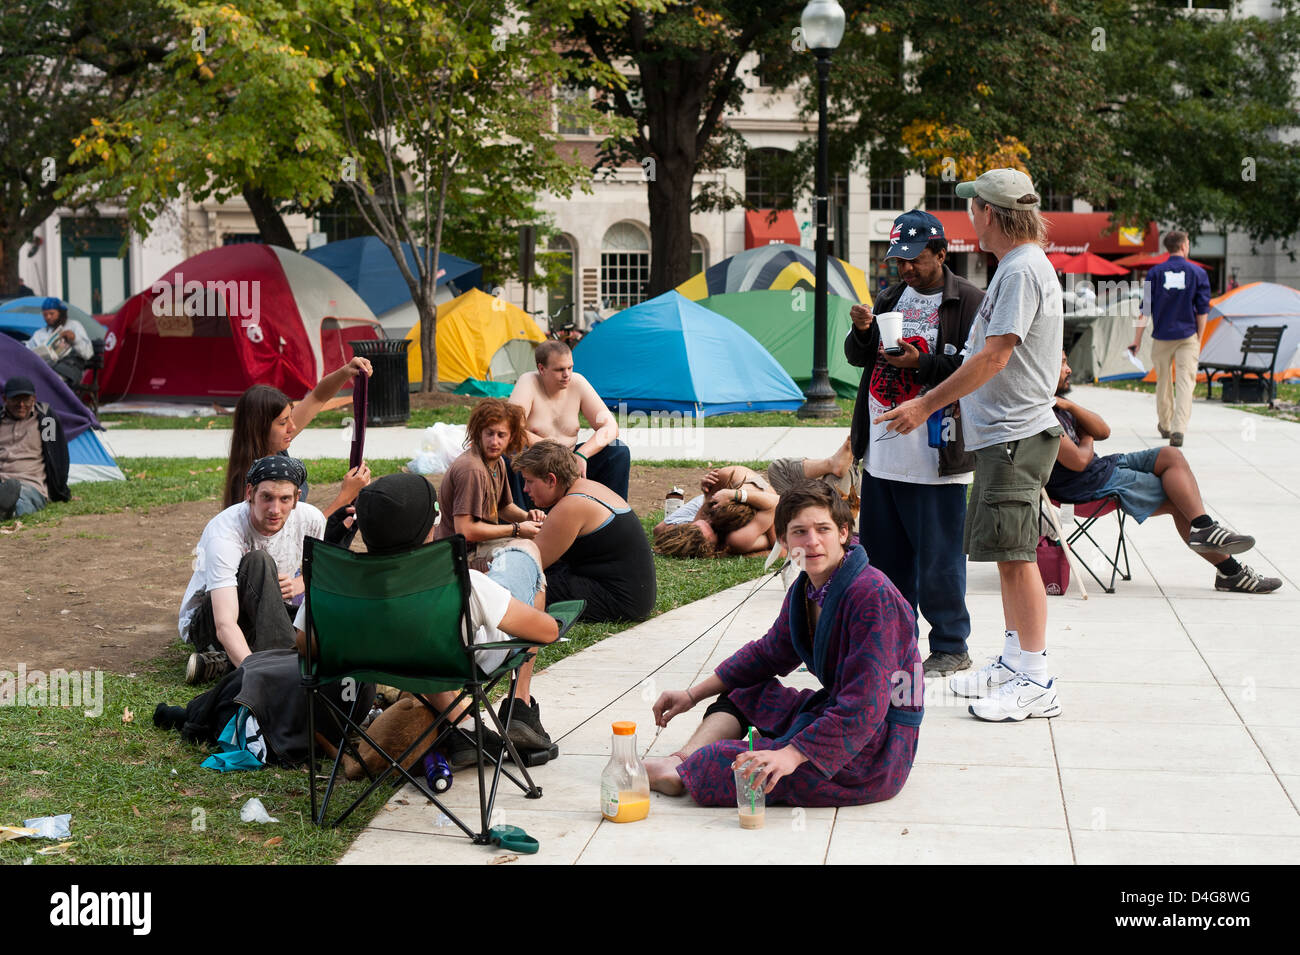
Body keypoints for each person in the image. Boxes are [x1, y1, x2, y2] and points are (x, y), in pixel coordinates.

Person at [876, 168, 1064, 722]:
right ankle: (1012, 662)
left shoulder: (1022, 269)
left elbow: (994, 356)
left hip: (1015, 435)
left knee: (1015, 556)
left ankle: (1035, 676)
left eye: (975, 208)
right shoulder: (1017, 266)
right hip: (1003, 436)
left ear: (992, 214)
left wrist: (925, 403)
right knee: (1005, 555)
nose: (971, 218)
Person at [643, 482, 922, 807]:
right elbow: (768, 653)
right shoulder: (807, 588)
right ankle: (680, 761)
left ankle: (684, 772)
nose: (813, 541)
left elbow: (865, 707)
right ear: (786, 541)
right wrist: (692, 695)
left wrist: (792, 754)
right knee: (742, 689)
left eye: (823, 529)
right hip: (837, 715)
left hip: (873, 751)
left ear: (843, 533)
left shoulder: (872, 596)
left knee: (729, 763)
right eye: (800, 531)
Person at [324, 473, 562, 761]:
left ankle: (463, 724)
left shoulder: (335, 587)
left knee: (417, 645)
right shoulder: (465, 584)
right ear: (429, 530)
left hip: (396, 661)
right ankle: (519, 705)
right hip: (469, 659)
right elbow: (547, 632)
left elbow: (305, 643)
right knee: (525, 550)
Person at [845, 210, 984, 677]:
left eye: (915, 259)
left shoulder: (968, 302)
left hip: (935, 454)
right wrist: (862, 331)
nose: (904, 268)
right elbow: (860, 360)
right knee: (885, 560)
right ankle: (893, 645)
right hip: (883, 454)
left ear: (941, 254)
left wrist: (919, 366)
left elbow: (976, 371)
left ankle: (949, 645)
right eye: (898, 259)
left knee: (940, 558)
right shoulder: (890, 295)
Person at [1050, 353, 1280, 594]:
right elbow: (1078, 461)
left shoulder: (1059, 406)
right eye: (1062, 363)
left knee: (1171, 455)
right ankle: (1229, 569)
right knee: (1178, 499)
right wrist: (1087, 437)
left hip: (1104, 469)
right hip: (1087, 487)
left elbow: (1103, 431)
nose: (1070, 369)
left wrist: (1072, 406)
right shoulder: (1044, 415)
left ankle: (1204, 529)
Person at [178, 455, 325, 685]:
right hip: (211, 622)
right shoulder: (224, 532)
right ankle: (286, 670)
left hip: (269, 613)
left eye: (285, 499)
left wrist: (301, 582)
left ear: (297, 498)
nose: (275, 509)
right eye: (267, 497)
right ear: (250, 493)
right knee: (258, 562)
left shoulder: (312, 520)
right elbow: (224, 623)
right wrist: (259, 677)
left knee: (325, 629)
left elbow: (319, 578)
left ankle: (223, 663)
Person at [513, 440, 655, 622]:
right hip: (631, 592)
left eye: (529, 481)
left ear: (551, 479)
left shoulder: (572, 505)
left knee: (521, 589)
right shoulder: (586, 487)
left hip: (618, 599)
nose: (525, 489)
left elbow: (528, 565)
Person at [222, 356, 373, 511]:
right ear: (259, 429)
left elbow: (317, 397)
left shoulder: (272, 447)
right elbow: (304, 533)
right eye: (283, 422)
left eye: (291, 418)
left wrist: (346, 371)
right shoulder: (263, 481)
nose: (292, 427)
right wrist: (346, 496)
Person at [508, 340, 630, 501]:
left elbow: (611, 426)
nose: (566, 375)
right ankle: (523, 518)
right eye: (559, 370)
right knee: (512, 453)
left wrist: (582, 454)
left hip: (572, 463)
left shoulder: (577, 382)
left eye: (570, 368)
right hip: (537, 464)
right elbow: (511, 428)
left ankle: (612, 513)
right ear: (541, 368)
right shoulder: (528, 382)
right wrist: (554, 451)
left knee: (618, 451)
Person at [433, 398, 546, 570]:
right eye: (489, 433)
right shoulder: (472, 469)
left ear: (511, 437)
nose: (494, 442)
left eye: (501, 435)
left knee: (540, 545)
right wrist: (516, 530)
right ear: (479, 433)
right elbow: (465, 530)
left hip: (481, 546)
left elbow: (503, 507)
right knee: (526, 553)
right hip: (460, 556)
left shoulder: (497, 461)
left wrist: (528, 519)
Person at [1129, 230, 1211, 447]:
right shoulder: (1198, 273)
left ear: (1167, 247)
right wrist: (1199, 338)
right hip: (1187, 335)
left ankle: (1165, 424)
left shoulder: (1154, 273)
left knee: (1163, 382)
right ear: (1184, 246)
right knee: (1185, 382)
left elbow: (1144, 310)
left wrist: (1136, 340)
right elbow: (1202, 311)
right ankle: (1179, 429)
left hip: (1162, 336)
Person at [0, 376, 69, 519]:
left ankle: (10, 511)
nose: (21, 405)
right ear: (5, 399)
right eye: (15, 400)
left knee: (23, 500)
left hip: (29, 483)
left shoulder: (46, 420)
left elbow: (58, 456)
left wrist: (59, 489)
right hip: (2, 482)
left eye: (26, 399)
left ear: (34, 399)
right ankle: (4, 508)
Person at [24, 298, 92, 387]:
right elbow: (28, 350)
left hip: (69, 370)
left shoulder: (74, 326)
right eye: (45, 315)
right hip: (45, 370)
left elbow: (88, 353)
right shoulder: (40, 333)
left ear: (60, 312)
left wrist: (75, 339)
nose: (48, 317)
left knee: (50, 379)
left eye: (51, 314)